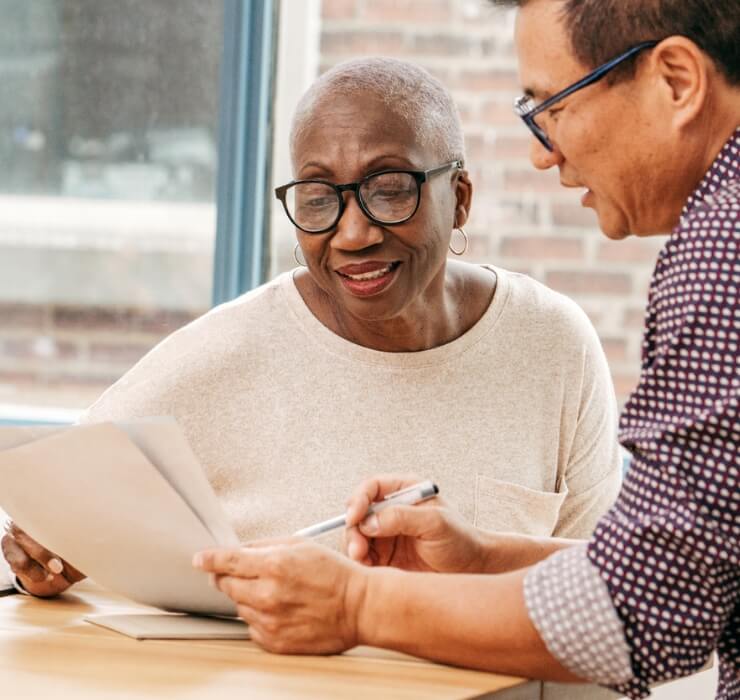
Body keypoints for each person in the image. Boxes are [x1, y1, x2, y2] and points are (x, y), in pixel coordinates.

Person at [190, 2, 740, 699]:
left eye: (555, 106)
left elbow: (646, 609)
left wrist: (358, 605)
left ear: (677, 80)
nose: (544, 151)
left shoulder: (723, 251)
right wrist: (481, 560)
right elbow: (700, 569)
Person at [1, 56, 621, 606]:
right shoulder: (225, 353)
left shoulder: (553, 346)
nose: (353, 235)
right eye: (320, 198)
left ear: (459, 198)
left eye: (389, 189)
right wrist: (44, 561)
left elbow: (611, 599)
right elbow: (43, 524)